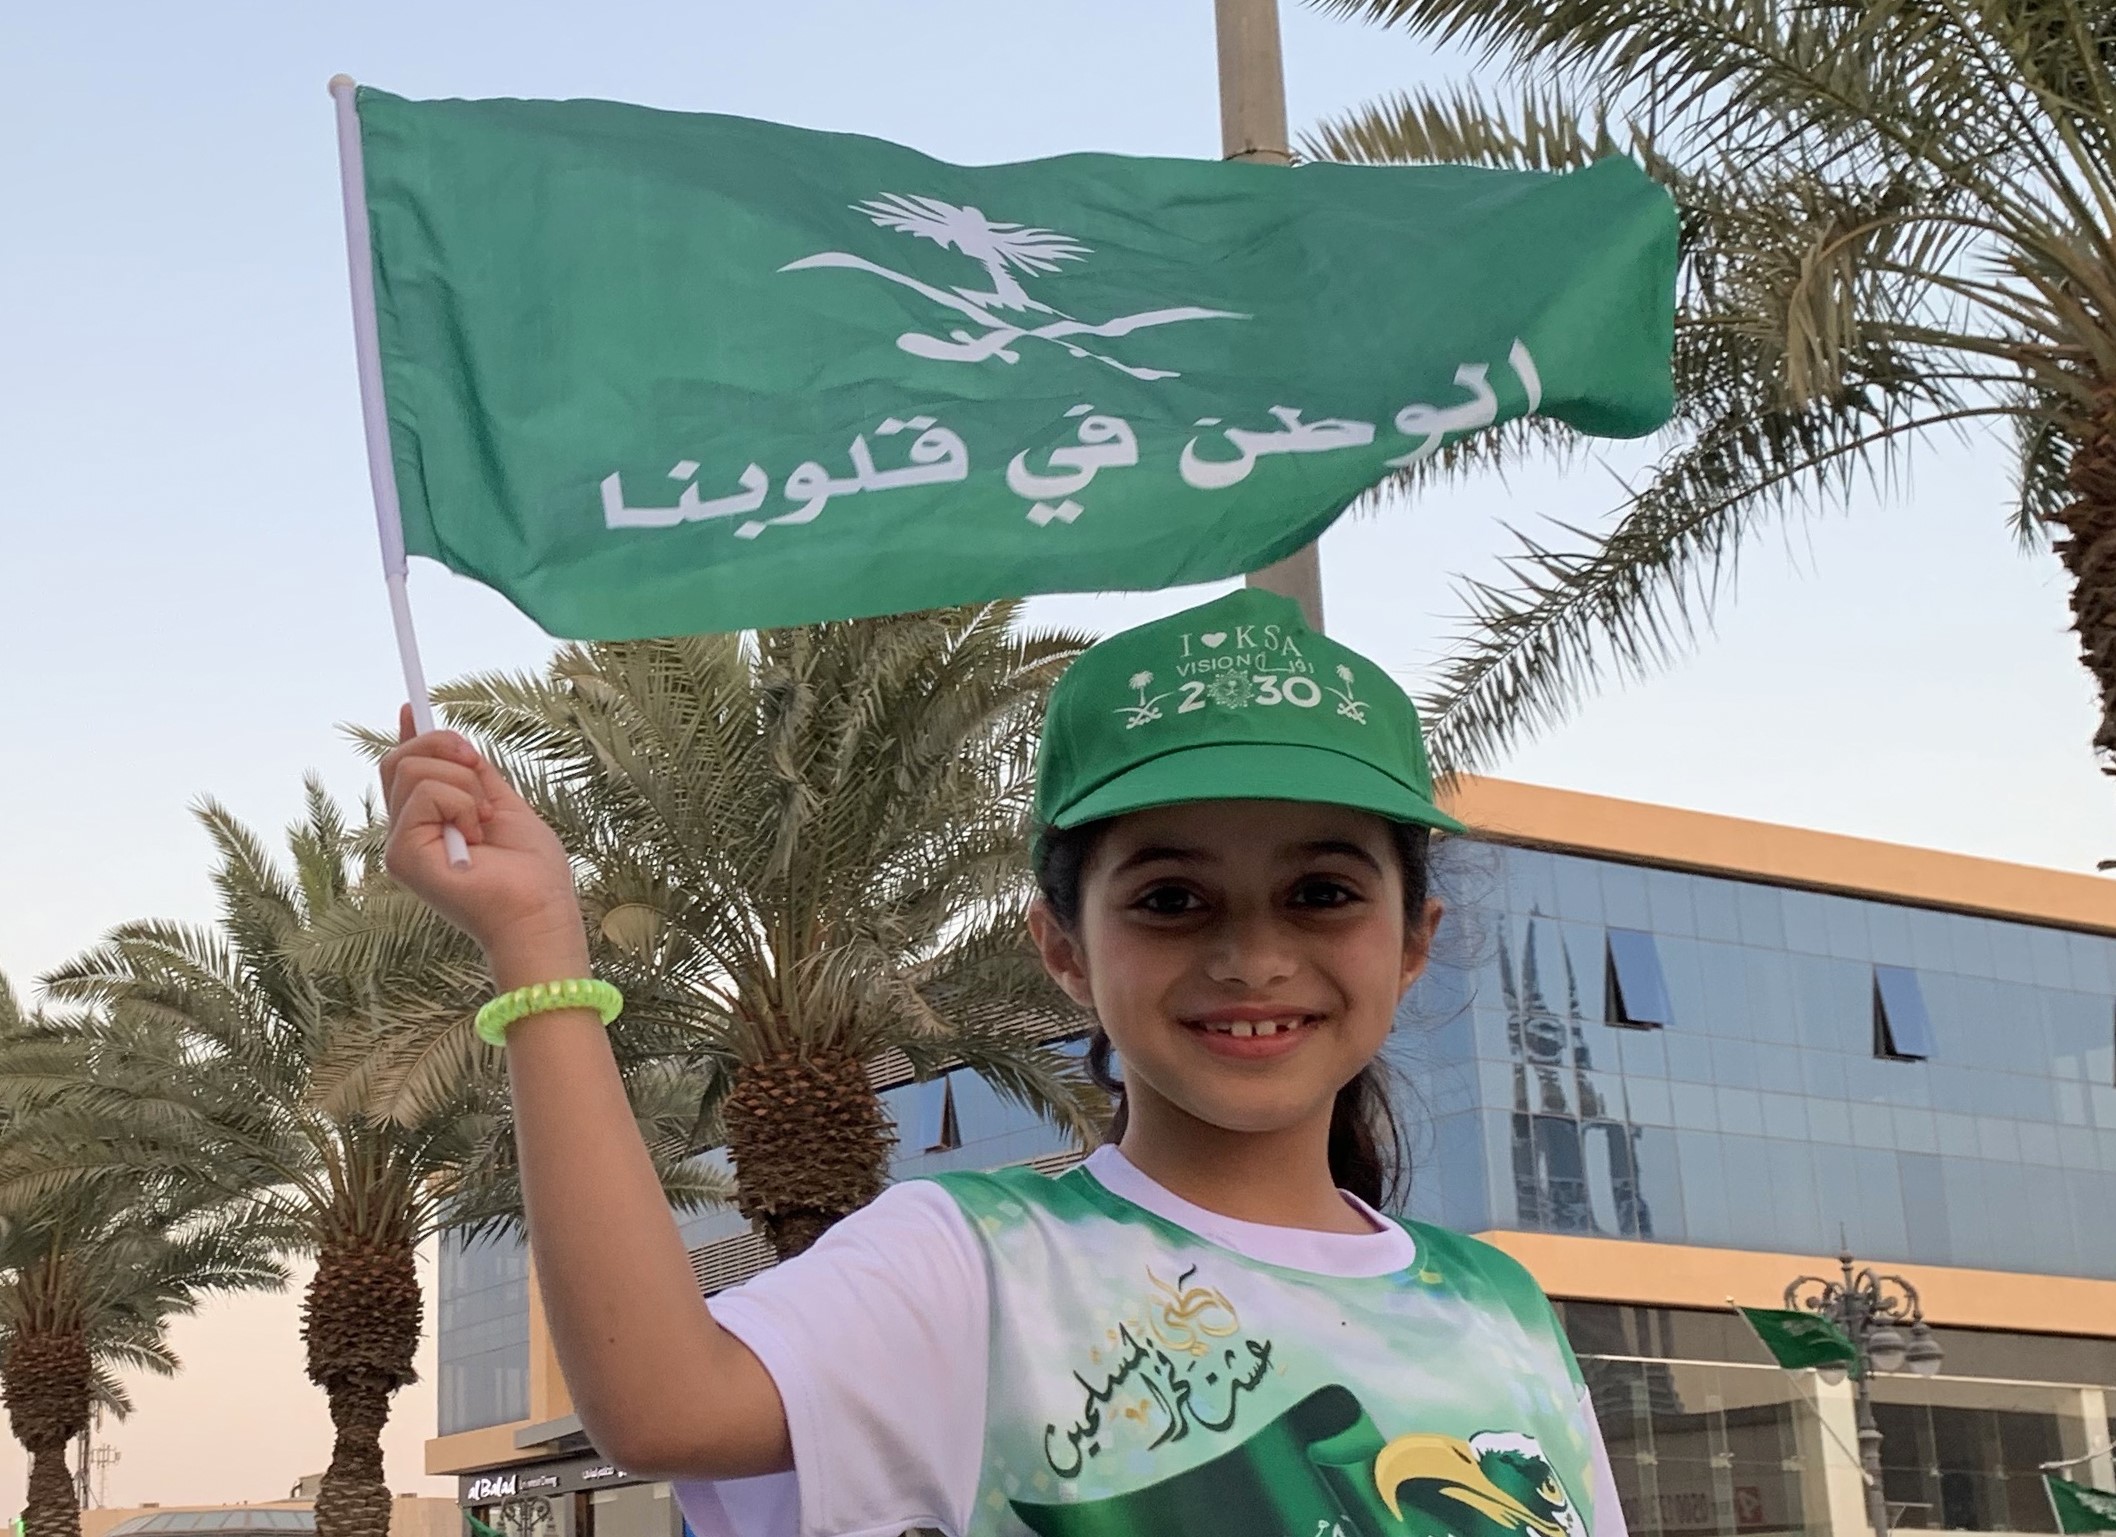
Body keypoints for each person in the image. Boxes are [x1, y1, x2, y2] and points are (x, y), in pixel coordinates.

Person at [381, 588, 1626, 1537]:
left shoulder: (1501, 1308)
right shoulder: (969, 1261)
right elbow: (660, 1401)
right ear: (1063, 948)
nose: (1254, 955)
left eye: (1319, 892)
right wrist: (538, 951)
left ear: (1414, 938)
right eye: (1173, 899)